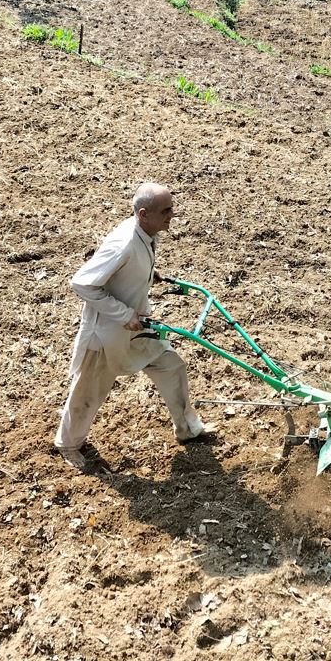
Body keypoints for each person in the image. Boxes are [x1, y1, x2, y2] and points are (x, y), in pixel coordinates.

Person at [54, 183, 207, 470]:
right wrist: (123, 314)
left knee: (172, 366)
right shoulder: (123, 243)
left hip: (139, 325)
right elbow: (82, 283)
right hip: (108, 332)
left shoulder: (146, 233)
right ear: (144, 214)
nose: (172, 215)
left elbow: (129, 267)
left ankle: (189, 429)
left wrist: (150, 275)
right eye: (166, 211)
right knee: (88, 390)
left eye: (172, 208)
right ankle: (68, 444)